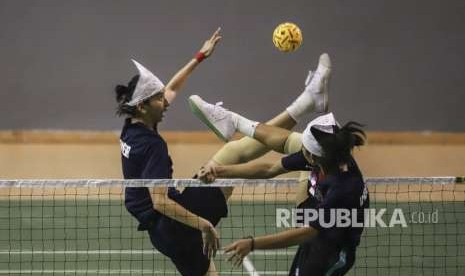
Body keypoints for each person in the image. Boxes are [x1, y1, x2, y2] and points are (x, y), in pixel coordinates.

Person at [189, 56, 369, 275]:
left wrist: (253, 243)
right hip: (317, 223)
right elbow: (269, 169)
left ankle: (240, 119)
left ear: (314, 157)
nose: (300, 149)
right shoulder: (327, 155)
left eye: (304, 149)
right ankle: (237, 120)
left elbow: (306, 232)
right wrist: (219, 171)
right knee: (286, 143)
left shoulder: (343, 188)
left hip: (331, 252)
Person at [116, 29, 225, 276]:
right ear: (142, 106)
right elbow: (161, 201)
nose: (165, 102)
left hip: (161, 233)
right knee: (230, 160)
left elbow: (172, 88)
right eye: (158, 99)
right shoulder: (153, 145)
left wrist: (199, 57)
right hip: (173, 225)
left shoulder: (130, 128)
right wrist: (204, 224)